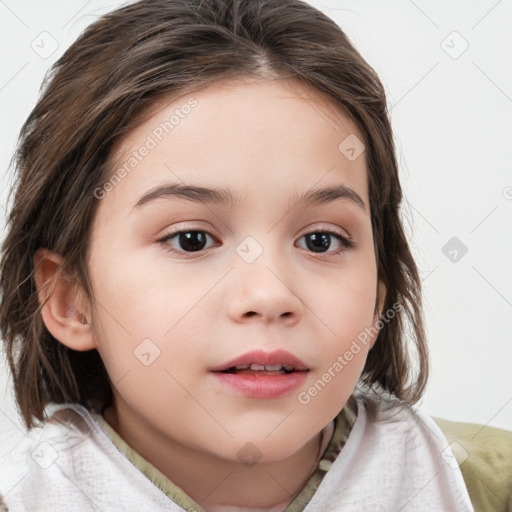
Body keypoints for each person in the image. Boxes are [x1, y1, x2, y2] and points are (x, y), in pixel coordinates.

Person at [0, 0, 475, 510]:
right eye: (191, 240)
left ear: (379, 294)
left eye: (321, 240)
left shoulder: (478, 482)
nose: (269, 295)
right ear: (70, 297)